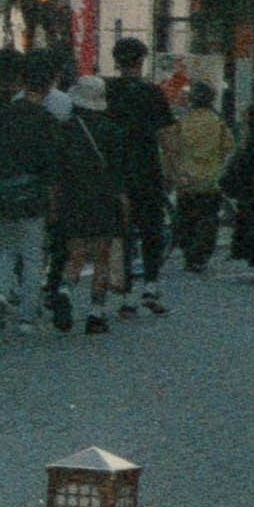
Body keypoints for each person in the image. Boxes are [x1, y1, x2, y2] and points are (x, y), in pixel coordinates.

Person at [0, 53, 57, 329]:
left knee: (5, 248)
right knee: (32, 254)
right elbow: (51, 162)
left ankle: (1, 294)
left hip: (2, 191)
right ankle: (27, 316)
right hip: (33, 192)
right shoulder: (45, 118)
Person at [46, 74, 127, 334]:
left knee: (76, 251)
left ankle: (65, 290)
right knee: (102, 256)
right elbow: (119, 172)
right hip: (104, 196)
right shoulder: (113, 131)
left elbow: (56, 171)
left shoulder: (66, 129)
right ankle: (96, 313)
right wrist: (124, 205)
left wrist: (54, 204)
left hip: (73, 195)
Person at [100, 38, 175, 317]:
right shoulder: (152, 93)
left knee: (122, 232)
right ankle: (151, 286)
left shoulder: (107, 92)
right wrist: (172, 170)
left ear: (117, 61)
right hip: (147, 169)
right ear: (142, 61)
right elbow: (166, 136)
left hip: (115, 171)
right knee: (151, 230)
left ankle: (126, 295)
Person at [165, 78, 237, 276]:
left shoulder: (182, 121)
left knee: (186, 217)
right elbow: (228, 149)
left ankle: (189, 252)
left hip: (186, 179)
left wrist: (171, 174)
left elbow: (172, 149)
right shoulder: (218, 122)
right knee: (208, 219)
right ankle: (200, 256)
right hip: (211, 179)